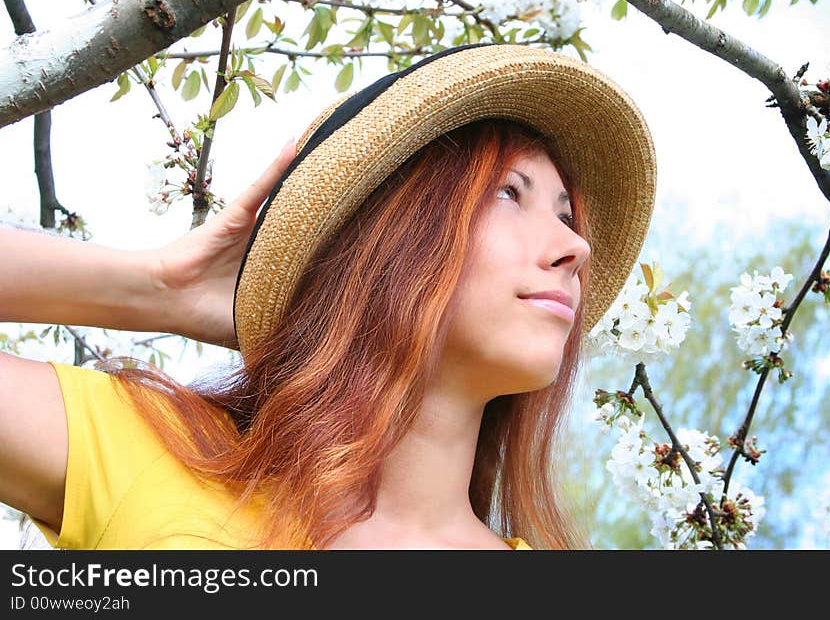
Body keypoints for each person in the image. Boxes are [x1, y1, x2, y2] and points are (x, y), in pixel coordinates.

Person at [0, 43, 656, 550]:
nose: (577, 248)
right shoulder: (153, 453)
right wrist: (159, 289)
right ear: (389, 235)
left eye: (568, 215)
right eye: (510, 193)